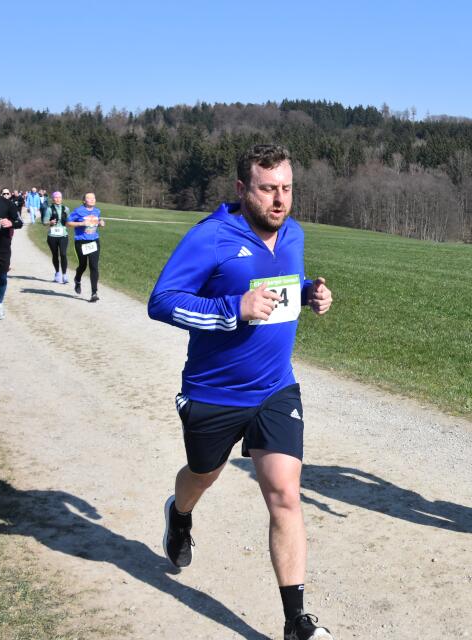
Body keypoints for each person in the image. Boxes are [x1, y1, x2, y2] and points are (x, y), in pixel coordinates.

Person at [148, 144, 334, 640]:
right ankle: (179, 514)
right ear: (241, 189)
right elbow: (161, 302)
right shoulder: (210, 237)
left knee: (285, 495)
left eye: (287, 188)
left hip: (275, 389)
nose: (280, 200)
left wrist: (311, 292)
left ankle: (295, 622)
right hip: (214, 392)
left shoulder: (293, 233)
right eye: (268, 189)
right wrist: (234, 307)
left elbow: (283, 286)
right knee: (201, 475)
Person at [0, 179, 24, 324]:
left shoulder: (8, 204)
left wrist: (10, 223)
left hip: (3, 247)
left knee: (2, 278)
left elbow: (19, 223)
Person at [66, 193, 104, 302]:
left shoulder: (97, 211)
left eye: (93, 198)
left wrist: (101, 223)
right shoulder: (78, 211)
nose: (92, 200)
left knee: (94, 266)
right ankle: (77, 279)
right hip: (81, 242)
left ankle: (94, 293)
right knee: (83, 265)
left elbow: (98, 220)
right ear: (84, 201)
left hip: (94, 241)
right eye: (89, 198)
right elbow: (68, 223)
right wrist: (81, 223)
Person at [45, 191, 70, 283]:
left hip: (63, 235)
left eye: (59, 197)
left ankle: (64, 275)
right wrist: (50, 222)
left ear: (62, 199)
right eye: (56, 197)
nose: (58, 199)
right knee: (55, 255)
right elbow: (44, 222)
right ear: (53, 199)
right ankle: (57, 273)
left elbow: (69, 221)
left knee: (63, 254)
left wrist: (69, 223)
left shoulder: (66, 209)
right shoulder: (49, 209)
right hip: (52, 236)